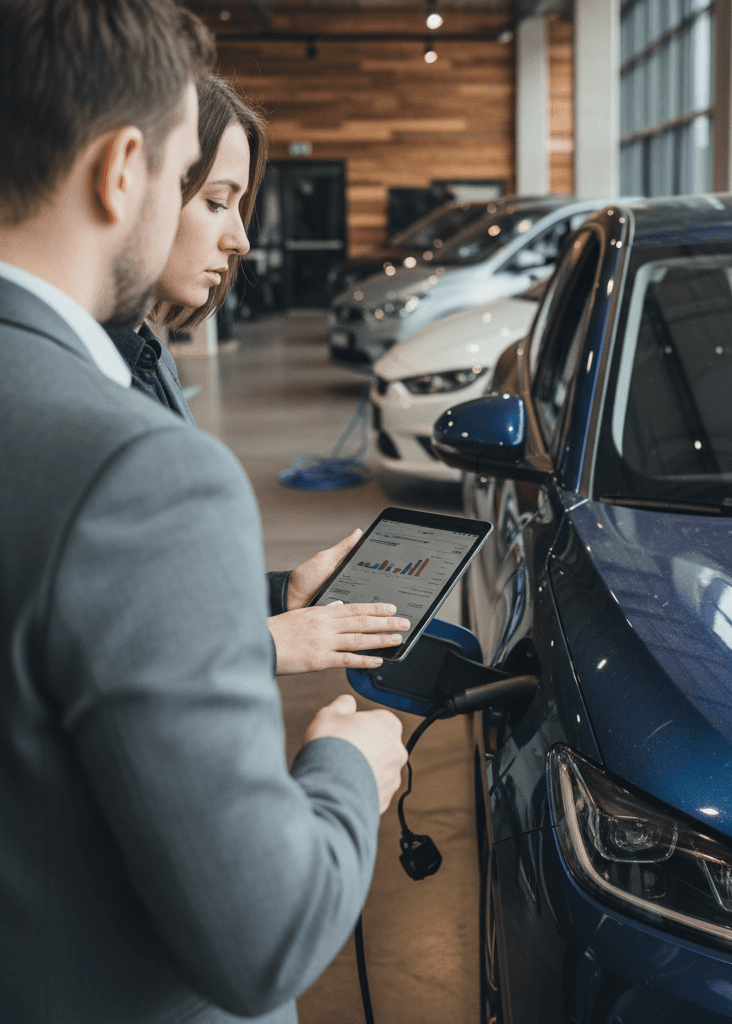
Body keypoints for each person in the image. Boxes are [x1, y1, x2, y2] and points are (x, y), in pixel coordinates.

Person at [0, 3, 407, 1022]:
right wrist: (345, 769)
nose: (226, 226)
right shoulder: (137, 471)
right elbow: (264, 935)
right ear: (122, 169)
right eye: (191, 174)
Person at [105, 71, 409, 676]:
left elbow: (156, 604)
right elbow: (99, 658)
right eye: (217, 202)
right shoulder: (81, 392)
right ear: (129, 181)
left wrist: (280, 596)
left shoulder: (146, 354)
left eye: (240, 207)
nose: (240, 238)